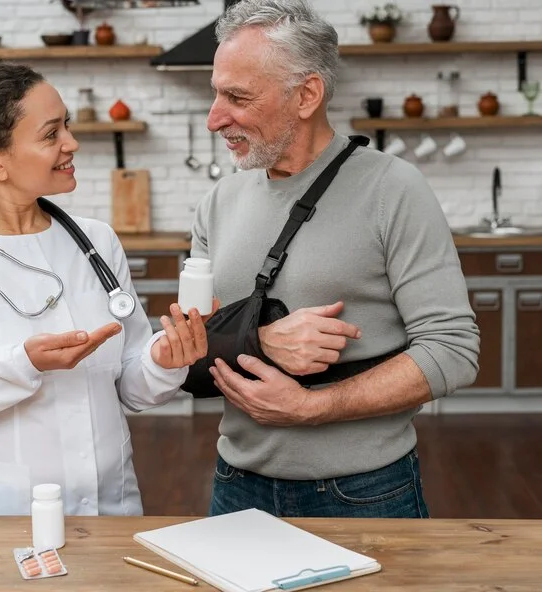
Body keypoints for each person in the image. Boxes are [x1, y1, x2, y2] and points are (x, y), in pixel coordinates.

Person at [192, 0, 480, 518]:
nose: (215, 118)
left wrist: (314, 407)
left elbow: (453, 350)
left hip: (364, 492)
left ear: (306, 95)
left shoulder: (394, 189)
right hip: (235, 484)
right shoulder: (218, 202)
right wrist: (259, 342)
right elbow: (189, 349)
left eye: (237, 97)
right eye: (215, 93)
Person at [0, 63, 214, 517]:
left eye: (68, 124)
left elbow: (133, 390)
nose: (72, 143)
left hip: (113, 507)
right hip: (7, 519)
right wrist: (19, 366)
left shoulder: (97, 242)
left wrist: (164, 359)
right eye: (50, 134)